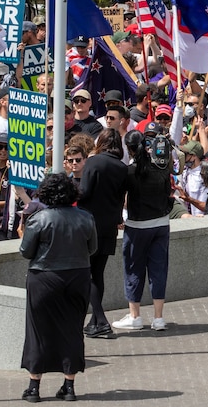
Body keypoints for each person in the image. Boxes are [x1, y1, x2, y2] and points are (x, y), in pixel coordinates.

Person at [19, 173, 97, 403]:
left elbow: (26, 251)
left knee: (38, 331)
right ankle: (69, 386)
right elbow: (92, 248)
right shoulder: (86, 217)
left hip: (44, 277)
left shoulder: (39, 219)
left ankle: (34, 387)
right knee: (73, 328)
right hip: (78, 275)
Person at [112, 130, 174, 332]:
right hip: (161, 223)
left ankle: (135, 315)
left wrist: (118, 218)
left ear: (128, 148)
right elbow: (167, 192)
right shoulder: (161, 167)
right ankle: (158, 318)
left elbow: (121, 197)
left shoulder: (129, 171)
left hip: (138, 225)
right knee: (158, 269)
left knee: (133, 268)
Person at [78, 129, 128, 338]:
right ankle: (95, 322)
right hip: (109, 226)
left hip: (90, 224)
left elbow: (84, 191)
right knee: (98, 273)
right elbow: (119, 199)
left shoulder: (94, 162)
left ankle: (101, 320)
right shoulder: (122, 168)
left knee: (88, 273)